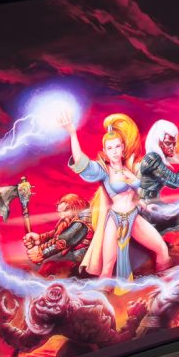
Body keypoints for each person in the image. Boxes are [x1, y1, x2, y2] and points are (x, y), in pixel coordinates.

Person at [62, 112, 170, 279]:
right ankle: (103, 295)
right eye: (110, 148)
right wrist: (72, 133)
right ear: (105, 151)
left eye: (117, 146)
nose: (114, 151)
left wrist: (142, 203)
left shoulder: (130, 168)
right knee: (107, 268)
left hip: (134, 217)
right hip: (115, 220)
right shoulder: (104, 171)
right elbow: (81, 163)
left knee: (162, 250)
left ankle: (167, 286)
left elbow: (139, 192)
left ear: (123, 148)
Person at [22, 193, 93, 276]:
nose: (61, 215)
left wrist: (41, 252)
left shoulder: (81, 222)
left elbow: (64, 240)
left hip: (79, 256)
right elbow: (57, 233)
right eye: (60, 212)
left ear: (76, 207)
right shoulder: (70, 218)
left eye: (65, 211)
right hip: (70, 252)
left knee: (49, 262)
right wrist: (40, 238)